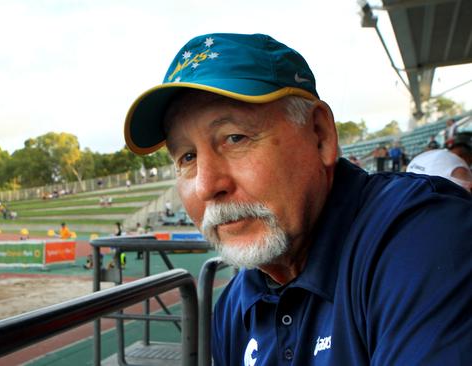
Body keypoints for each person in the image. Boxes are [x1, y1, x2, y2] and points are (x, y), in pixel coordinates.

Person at [122, 33, 472, 365]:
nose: (206, 186)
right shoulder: (232, 308)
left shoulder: (426, 237)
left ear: (320, 136)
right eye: (186, 157)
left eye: (234, 137)